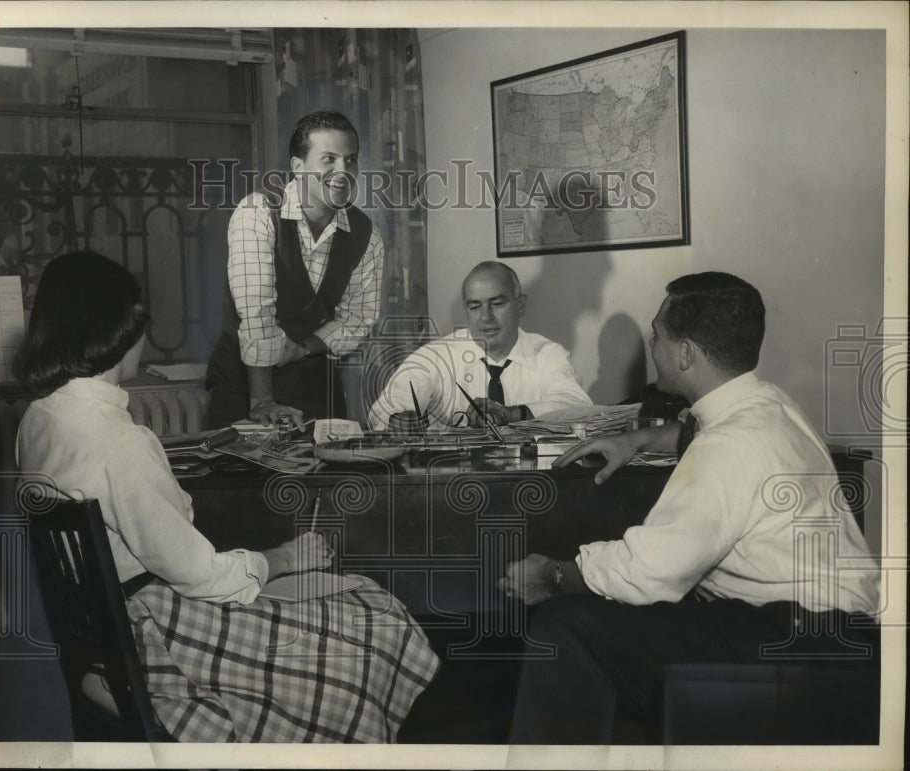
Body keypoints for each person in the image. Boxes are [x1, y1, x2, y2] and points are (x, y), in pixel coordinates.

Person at [15, 251, 438, 742]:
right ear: (115, 331)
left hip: (99, 635)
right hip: (153, 636)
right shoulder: (120, 442)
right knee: (374, 617)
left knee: (342, 605)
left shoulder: (39, 418)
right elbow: (200, 576)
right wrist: (283, 556)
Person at [500, 271, 881, 743]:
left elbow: (647, 572)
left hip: (797, 647)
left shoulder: (727, 447)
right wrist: (637, 437)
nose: (652, 344)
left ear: (685, 354)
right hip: (843, 635)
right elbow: (698, 432)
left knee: (566, 623)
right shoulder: (770, 405)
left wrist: (552, 576)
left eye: (657, 336)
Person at [205, 110, 384, 430]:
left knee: (326, 473)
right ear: (298, 167)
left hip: (313, 381)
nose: (343, 171)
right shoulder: (257, 212)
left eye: (351, 160)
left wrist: (304, 349)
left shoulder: (365, 233)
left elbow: (358, 318)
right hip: (244, 384)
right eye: (329, 158)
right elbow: (256, 313)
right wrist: (262, 401)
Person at [368, 261, 592, 432]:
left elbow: (579, 408)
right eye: (475, 307)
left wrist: (512, 414)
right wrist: (398, 420)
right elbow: (383, 411)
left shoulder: (548, 354)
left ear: (520, 306)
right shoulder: (435, 357)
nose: (486, 317)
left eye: (497, 304)